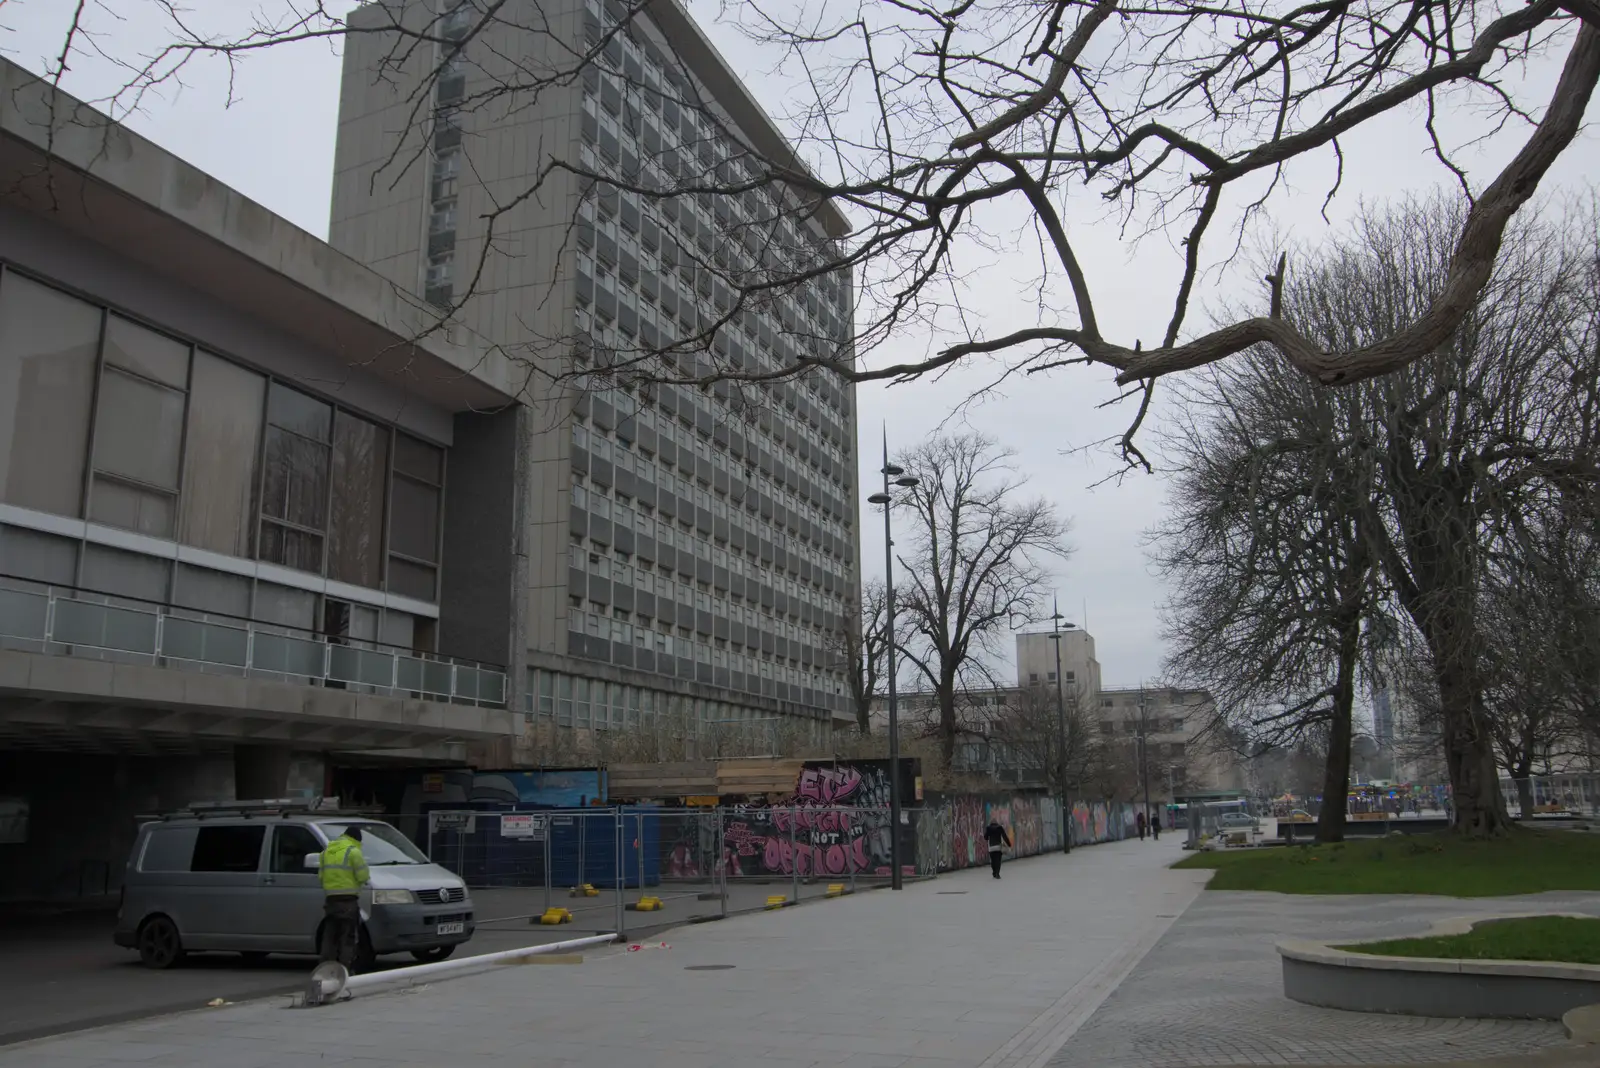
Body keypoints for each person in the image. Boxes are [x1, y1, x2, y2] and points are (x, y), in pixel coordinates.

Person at [319, 824, 370, 969]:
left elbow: (321, 876)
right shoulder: (354, 852)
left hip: (331, 901)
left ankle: (326, 969)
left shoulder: (326, 852)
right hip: (348, 901)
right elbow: (363, 876)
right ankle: (345, 970)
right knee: (347, 937)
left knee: (330, 937)